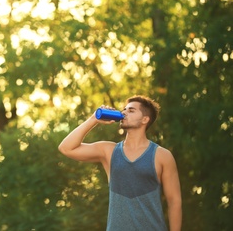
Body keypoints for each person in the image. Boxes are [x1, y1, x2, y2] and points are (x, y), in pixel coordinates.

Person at [58, 95, 182, 231]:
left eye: (131, 110)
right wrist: (94, 119)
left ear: (145, 119)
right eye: (124, 109)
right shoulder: (109, 151)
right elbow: (66, 148)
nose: (124, 112)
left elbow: (174, 201)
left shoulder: (162, 156)